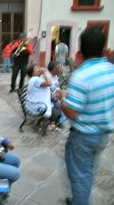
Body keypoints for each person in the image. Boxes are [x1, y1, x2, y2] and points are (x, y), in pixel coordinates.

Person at [61, 28, 114, 205]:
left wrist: (63, 100)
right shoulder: (111, 70)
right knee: (88, 172)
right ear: (104, 49)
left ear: (80, 52)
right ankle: (78, 199)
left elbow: (72, 112)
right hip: (103, 134)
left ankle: (79, 201)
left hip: (83, 136)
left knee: (79, 176)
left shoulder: (80, 76)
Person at [25, 64, 61, 130]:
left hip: (37, 103)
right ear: (33, 73)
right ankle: (40, 122)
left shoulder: (37, 78)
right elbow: (49, 83)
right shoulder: (35, 79)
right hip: (36, 106)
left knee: (57, 105)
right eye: (36, 68)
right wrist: (44, 72)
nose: (39, 69)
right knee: (55, 112)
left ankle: (51, 123)